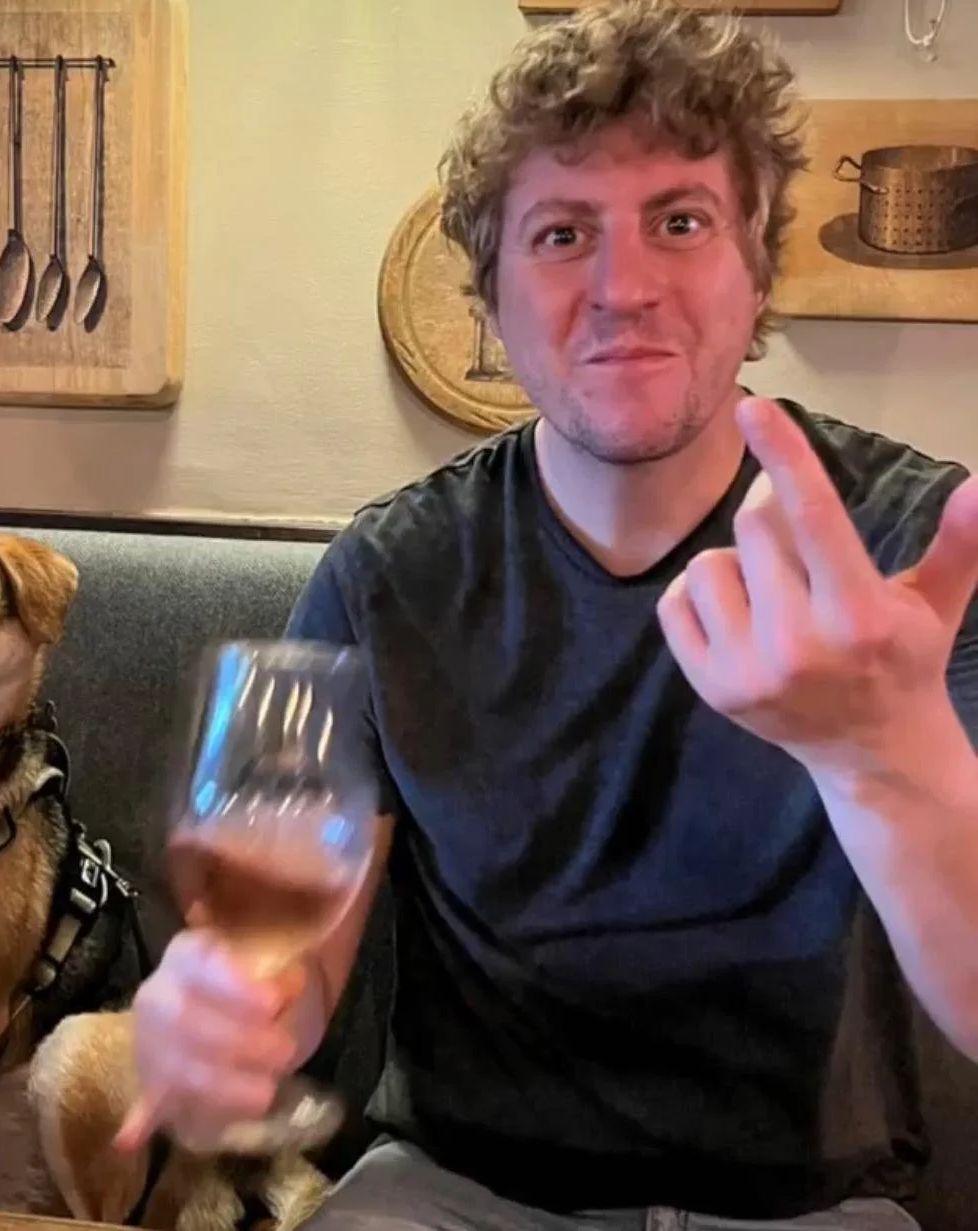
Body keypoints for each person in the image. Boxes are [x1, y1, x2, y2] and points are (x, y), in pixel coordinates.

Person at [116, 1, 978, 1227]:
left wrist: (887, 758)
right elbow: (288, 964)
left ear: (758, 268)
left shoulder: (907, 551)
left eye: (680, 221)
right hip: (453, 1194)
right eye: (563, 233)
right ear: (491, 295)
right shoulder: (385, 572)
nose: (623, 288)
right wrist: (218, 1010)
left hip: (807, 1210)